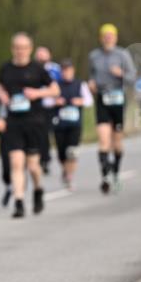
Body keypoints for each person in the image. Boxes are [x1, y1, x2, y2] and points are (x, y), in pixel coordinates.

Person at [0, 33, 60, 218]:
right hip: (14, 122)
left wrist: (38, 93)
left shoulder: (38, 69)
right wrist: (1, 94)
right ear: (12, 48)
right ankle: (19, 202)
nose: (20, 51)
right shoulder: (6, 69)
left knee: (32, 166)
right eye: (17, 47)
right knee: (16, 163)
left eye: (24, 47)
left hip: (34, 122)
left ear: (30, 49)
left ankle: (38, 189)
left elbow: (55, 90)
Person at [87, 24, 136, 194]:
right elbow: (91, 75)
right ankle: (105, 176)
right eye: (105, 36)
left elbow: (132, 77)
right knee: (103, 139)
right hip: (102, 98)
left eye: (111, 36)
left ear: (115, 38)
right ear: (101, 38)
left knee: (117, 142)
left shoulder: (123, 54)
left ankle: (115, 172)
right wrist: (91, 84)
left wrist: (120, 73)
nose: (108, 38)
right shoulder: (94, 56)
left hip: (118, 100)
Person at [52, 60, 93, 190]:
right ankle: (65, 170)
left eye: (68, 70)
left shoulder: (80, 84)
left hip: (75, 123)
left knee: (72, 152)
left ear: (73, 71)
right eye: (64, 70)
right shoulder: (55, 85)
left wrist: (80, 101)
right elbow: (45, 101)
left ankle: (69, 177)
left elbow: (89, 101)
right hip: (59, 124)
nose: (66, 73)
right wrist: (55, 101)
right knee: (61, 154)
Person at [34, 46, 62, 175]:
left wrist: (60, 98)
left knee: (56, 133)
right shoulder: (33, 69)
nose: (41, 58)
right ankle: (44, 159)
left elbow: (62, 84)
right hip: (39, 106)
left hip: (54, 106)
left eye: (44, 55)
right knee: (42, 134)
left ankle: (62, 156)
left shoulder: (55, 69)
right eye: (39, 55)